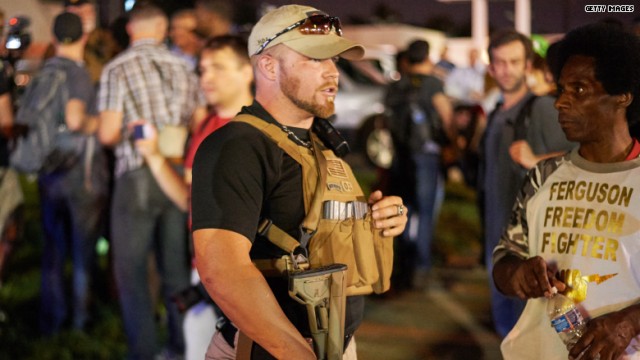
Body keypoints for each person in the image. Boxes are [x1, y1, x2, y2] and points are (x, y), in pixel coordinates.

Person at [191, 5, 407, 359]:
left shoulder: (317, 144)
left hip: (333, 345)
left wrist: (383, 217)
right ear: (268, 66)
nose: (333, 73)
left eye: (334, 60)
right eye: (315, 60)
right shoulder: (237, 146)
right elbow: (221, 269)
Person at [492, 22, 640, 359]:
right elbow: (504, 259)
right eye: (562, 89)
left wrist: (629, 322)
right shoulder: (543, 176)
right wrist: (518, 275)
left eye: (580, 90)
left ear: (622, 96)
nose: (561, 102)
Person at [97, 3, 206, 359]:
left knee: (131, 272)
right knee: (174, 268)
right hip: (176, 175)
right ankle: (181, 346)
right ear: (162, 29)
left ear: (131, 29)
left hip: (136, 175)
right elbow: (199, 124)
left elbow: (110, 133)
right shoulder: (186, 70)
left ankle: (143, 350)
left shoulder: (117, 69)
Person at [479, 29, 576, 338]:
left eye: (514, 62)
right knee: (507, 328)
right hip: (498, 235)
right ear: (491, 68)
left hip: (529, 243)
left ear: (527, 66)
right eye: (500, 63)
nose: (507, 70)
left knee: (529, 330)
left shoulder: (542, 109)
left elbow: (580, 156)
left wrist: (536, 159)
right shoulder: (496, 112)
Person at [36, 11, 109, 335]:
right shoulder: (77, 72)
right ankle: (81, 321)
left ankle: (52, 317)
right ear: (83, 38)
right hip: (81, 173)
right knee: (82, 250)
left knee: (53, 248)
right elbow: (77, 119)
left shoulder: (44, 73)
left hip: (49, 171)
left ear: (53, 38)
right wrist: (101, 123)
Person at [385, 39, 453, 290]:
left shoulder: (396, 85)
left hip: (401, 155)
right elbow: (446, 116)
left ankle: (403, 263)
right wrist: (453, 142)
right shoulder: (433, 84)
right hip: (427, 155)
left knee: (403, 210)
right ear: (427, 56)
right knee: (425, 212)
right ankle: (421, 268)